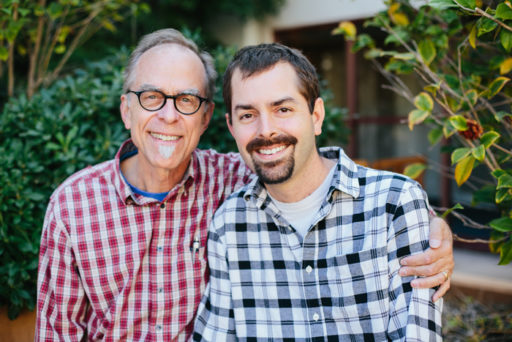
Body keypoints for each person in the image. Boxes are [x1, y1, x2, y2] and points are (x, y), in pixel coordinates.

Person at [36, 29, 451, 341]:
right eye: (150, 97)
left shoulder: (238, 179)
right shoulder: (73, 205)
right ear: (127, 109)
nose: (167, 115)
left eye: (186, 100)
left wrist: (430, 225)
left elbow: (323, 177)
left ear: (206, 118)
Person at [194, 43, 443, 340]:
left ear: (316, 116)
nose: (266, 130)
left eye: (283, 109)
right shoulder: (228, 225)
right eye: (248, 115)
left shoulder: (395, 204)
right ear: (232, 127)